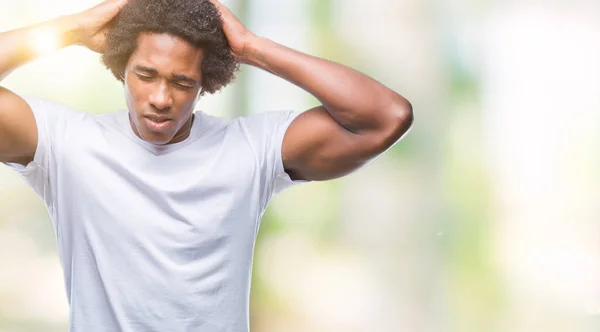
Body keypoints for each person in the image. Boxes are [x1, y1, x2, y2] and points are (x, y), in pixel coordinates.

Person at [0, 0, 413, 330]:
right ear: (121, 67)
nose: (162, 98)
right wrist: (71, 29)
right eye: (146, 74)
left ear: (207, 82)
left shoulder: (250, 150)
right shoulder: (67, 144)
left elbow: (387, 116)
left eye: (182, 82)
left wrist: (251, 48)